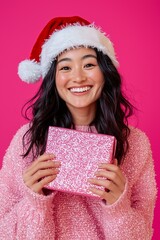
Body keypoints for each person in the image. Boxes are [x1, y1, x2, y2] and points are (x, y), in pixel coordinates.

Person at [0, 16, 157, 240]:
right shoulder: (27, 140)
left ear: (105, 72)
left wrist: (118, 207)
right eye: (65, 67)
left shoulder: (135, 143)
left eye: (89, 64)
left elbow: (142, 236)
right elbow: (4, 233)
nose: (78, 77)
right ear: (52, 78)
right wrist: (34, 201)